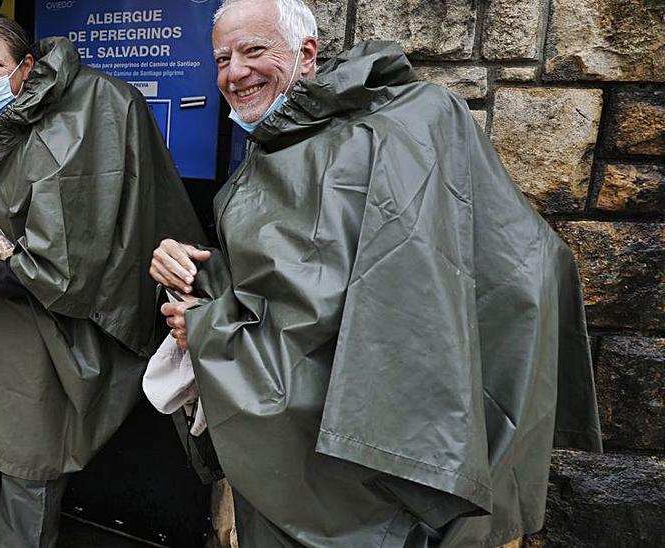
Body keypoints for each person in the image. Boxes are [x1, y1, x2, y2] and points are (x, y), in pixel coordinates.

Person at [151, 0, 603, 546]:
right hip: (291, 461)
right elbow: (287, 278)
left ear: (306, 52)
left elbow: (403, 301)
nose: (234, 73)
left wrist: (207, 328)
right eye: (222, 58)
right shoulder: (275, 140)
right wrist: (190, 268)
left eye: (253, 50)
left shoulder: (409, 121)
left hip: (374, 471)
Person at [0, 17, 205, 548]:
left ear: (24, 68)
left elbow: (67, 261)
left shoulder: (78, 121)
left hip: (38, 323)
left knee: (29, 450)